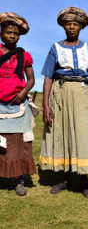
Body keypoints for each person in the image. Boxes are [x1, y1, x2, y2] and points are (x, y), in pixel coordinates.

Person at [39, 6, 88, 198]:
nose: (72, 27)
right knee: (63, 133)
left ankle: (84, 182)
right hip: (61, 92)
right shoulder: (55, 47)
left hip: (83, 93)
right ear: (64, 27)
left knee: (83, 135)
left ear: (81, 27)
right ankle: (65, 180)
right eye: (68, 24)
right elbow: (48, 77)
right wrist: (45, 105)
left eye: (75, 24)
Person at [0, 12, 36, 196]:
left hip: (18, 106)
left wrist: (23, 92)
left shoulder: (25, 55)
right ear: (1, 33)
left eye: (16, 33)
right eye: (9, 32)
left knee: (18, 143)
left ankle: (19, 180)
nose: (13, 36)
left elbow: (31, 79)